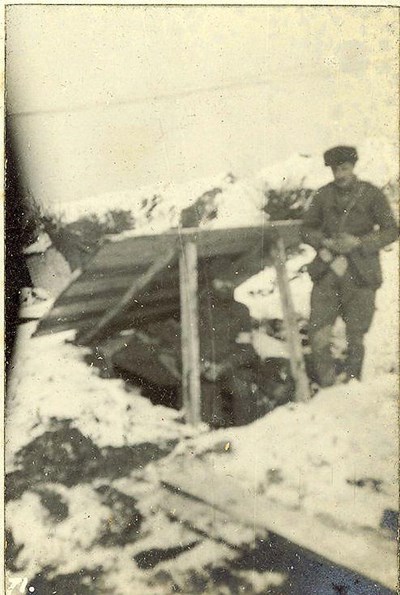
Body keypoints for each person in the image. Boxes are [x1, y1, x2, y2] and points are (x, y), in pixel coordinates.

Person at [111, 256, 293, 426]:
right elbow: (182, 344)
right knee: (198, 399)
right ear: (212, 283)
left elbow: (246, 350)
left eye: (230, 281)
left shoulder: (240, 312)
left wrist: (223, 366)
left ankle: (248, 437)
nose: (226, 286)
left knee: (243, 392)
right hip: (200, 368)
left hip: (230, 368)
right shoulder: (194, 310)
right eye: (221, 281)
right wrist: (201, 365)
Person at [301, 145, 398, 387]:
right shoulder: (322, 196)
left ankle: (353, 386)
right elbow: (306, 229)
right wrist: (323, 241)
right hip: (328, 271)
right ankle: (327, 384)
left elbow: (391, 231)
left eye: (344, 168)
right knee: (319, 330)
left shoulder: (372, 195)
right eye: (335, 170)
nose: (340, 175)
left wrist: (359, 242)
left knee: (356, 333)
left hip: (361, 273)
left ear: (353, 167)